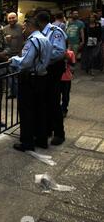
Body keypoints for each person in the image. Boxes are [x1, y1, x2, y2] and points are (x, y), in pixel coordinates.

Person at [9, 17, 53, 152]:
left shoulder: (33, 41)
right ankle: (41, 140)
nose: (23, 30)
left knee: (27, 111)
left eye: (24, 27)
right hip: (42, 78)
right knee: (40, 109)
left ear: (29, 26)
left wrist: (13, 60)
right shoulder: (45, 39)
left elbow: (26, 62)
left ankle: (27, 143)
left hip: (30, 79)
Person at [36, 11, 68, 147]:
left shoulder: (55, 31)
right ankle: (48, 129)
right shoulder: (42, 32)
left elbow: (59, 52)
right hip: (45, 70)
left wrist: (41, 59)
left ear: (40, 21)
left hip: (54, 69)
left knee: (54, 101)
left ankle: (59, 133)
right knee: (45, 101)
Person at [3, 12, 24, 99]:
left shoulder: (22, 27)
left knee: (18, 75)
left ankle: (19, 92)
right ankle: (13, 92)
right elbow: (1, 42)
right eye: (9, 18)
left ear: (16, 18)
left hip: (20, 55)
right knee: (11, 76)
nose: (11, 20)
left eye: (13, 18)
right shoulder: (4, 29)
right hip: (9, 55)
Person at [61, 49, 76, 118]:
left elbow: (73, 67)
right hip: (57, 77)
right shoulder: (55, 52)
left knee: (65, 95)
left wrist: (68, 59)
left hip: (66, 78)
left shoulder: (70, 53)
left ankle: (64, 110)